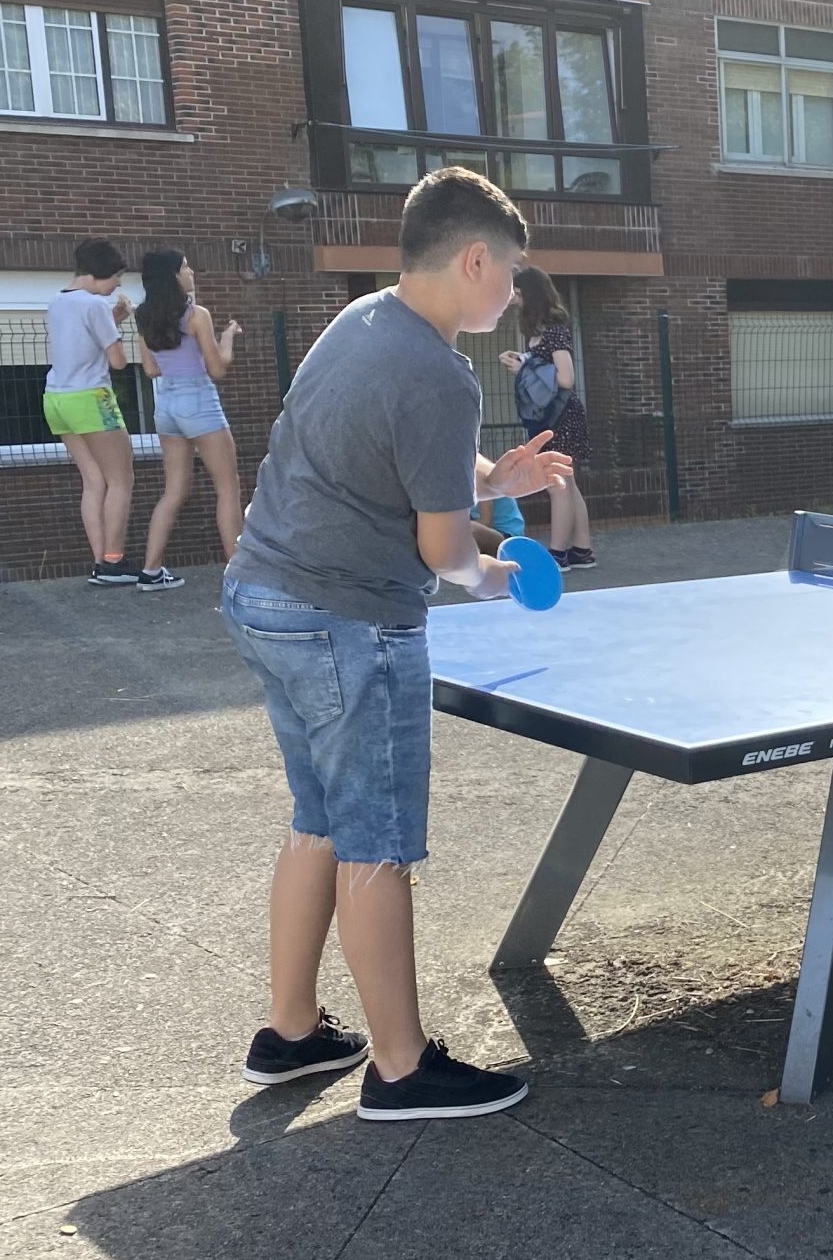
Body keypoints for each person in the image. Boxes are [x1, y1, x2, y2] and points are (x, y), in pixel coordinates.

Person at [220, 168, 571, 1120]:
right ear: (473, 259)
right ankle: (402, 1069)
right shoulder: (438, 373)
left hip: (264, 595)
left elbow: (408, 452)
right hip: (349, 621)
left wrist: (498, 473)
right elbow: (447, 553)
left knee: (319, 822)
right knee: (373, 843)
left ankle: (289, 1035)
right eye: (512, 272)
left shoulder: (367, 320)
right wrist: (505, 579)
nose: (515, 291)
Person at [131, 248, 243, 590]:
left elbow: (150, 369)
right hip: (199, 403)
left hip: (166, 408)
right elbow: (218, 369)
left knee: (174, 490)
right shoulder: (197, 314)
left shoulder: (142, 316)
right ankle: (239, 575)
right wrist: (226, 339)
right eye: (185, 267)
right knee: (228, 487)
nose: (191, 271)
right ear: (173, 276)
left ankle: (150, 571)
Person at [46, 240, 138, 584]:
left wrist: (114, 318)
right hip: (91, 398)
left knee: (93, 480)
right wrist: (118, 325)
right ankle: (115, 561)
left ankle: (101, 561)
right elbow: (117, 362)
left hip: (57, 398)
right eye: (116, 276)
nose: (117, 285)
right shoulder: (96, 305)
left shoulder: (57, 301)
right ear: (101, 273)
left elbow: (80, 341)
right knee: (121, 479)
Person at [497, 266, 595, 569]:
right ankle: (581, 551)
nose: (513, 298)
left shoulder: (553, 330)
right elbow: (548, 365)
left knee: (557, 484)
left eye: (517, 292)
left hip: (559, 418)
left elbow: (566, 378)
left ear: (530, 294)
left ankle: (558, 554)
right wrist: (525, 359)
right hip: (556, 417)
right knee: (567, 482)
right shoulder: (545, 330)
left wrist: (524, 368)